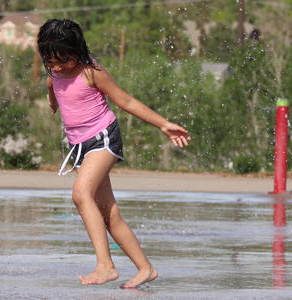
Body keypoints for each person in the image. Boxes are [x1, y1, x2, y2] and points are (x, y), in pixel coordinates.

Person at [37, 18, 191, 288]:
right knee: (109, 215)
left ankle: (106, 265)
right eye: (51, 63)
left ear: (77, 51)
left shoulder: (91, 71)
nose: (58, 67)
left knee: (80, 194)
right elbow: (52, 86)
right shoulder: (56, 73)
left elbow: (126, 100)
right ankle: (145, 268)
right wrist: (52, 101)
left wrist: (164, 124)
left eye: (64, 61)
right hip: (79, 146)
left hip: (102, 138)